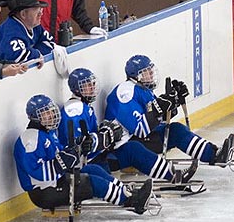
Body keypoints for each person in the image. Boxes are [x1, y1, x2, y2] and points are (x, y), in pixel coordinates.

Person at [13, 94, 153, 214]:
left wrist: (77, 146)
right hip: (44, 193)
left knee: (93, 169)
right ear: (35, 118)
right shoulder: (30, 139)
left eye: (51, 111)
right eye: (46, 113)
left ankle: (126, 191)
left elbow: (62, 153)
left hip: (56, 181)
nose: (51, 116)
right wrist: (61, 163)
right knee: (93, 182)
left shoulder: (47, 133)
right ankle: (132, 202)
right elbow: (36, 173)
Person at [59, 67, 195, 184]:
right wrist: (105, 137)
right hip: (90, 163)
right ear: (76, 89)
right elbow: (81, 145)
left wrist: (171, 104)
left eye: (92, 83)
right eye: (86, 85)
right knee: (110, 182)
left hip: (101, 157)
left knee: (132, 148)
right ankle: (133, 197)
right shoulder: (75, 109)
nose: (92, 88)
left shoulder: (83, 106)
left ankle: (172, 176)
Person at [104, 55, 234, 167]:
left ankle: (214, 154)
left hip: (140, 140)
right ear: (136, 76)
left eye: (151, 71)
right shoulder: (125, 92)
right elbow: (140, 130)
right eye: (146, 72)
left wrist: (174, 101)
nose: (151, 75)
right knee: (175, 132)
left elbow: (160, 119)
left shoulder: (143, 90)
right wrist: (159, 107)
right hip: (124, 148)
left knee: (176, 129)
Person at [0, 0, 54, 64]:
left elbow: (51, 43)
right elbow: (14, 56)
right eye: (36, 10)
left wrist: (36, 53)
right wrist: (37, 55)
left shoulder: (35, 26)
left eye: (40, 10)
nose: (41, 14)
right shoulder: (11, 29)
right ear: (23, 14)